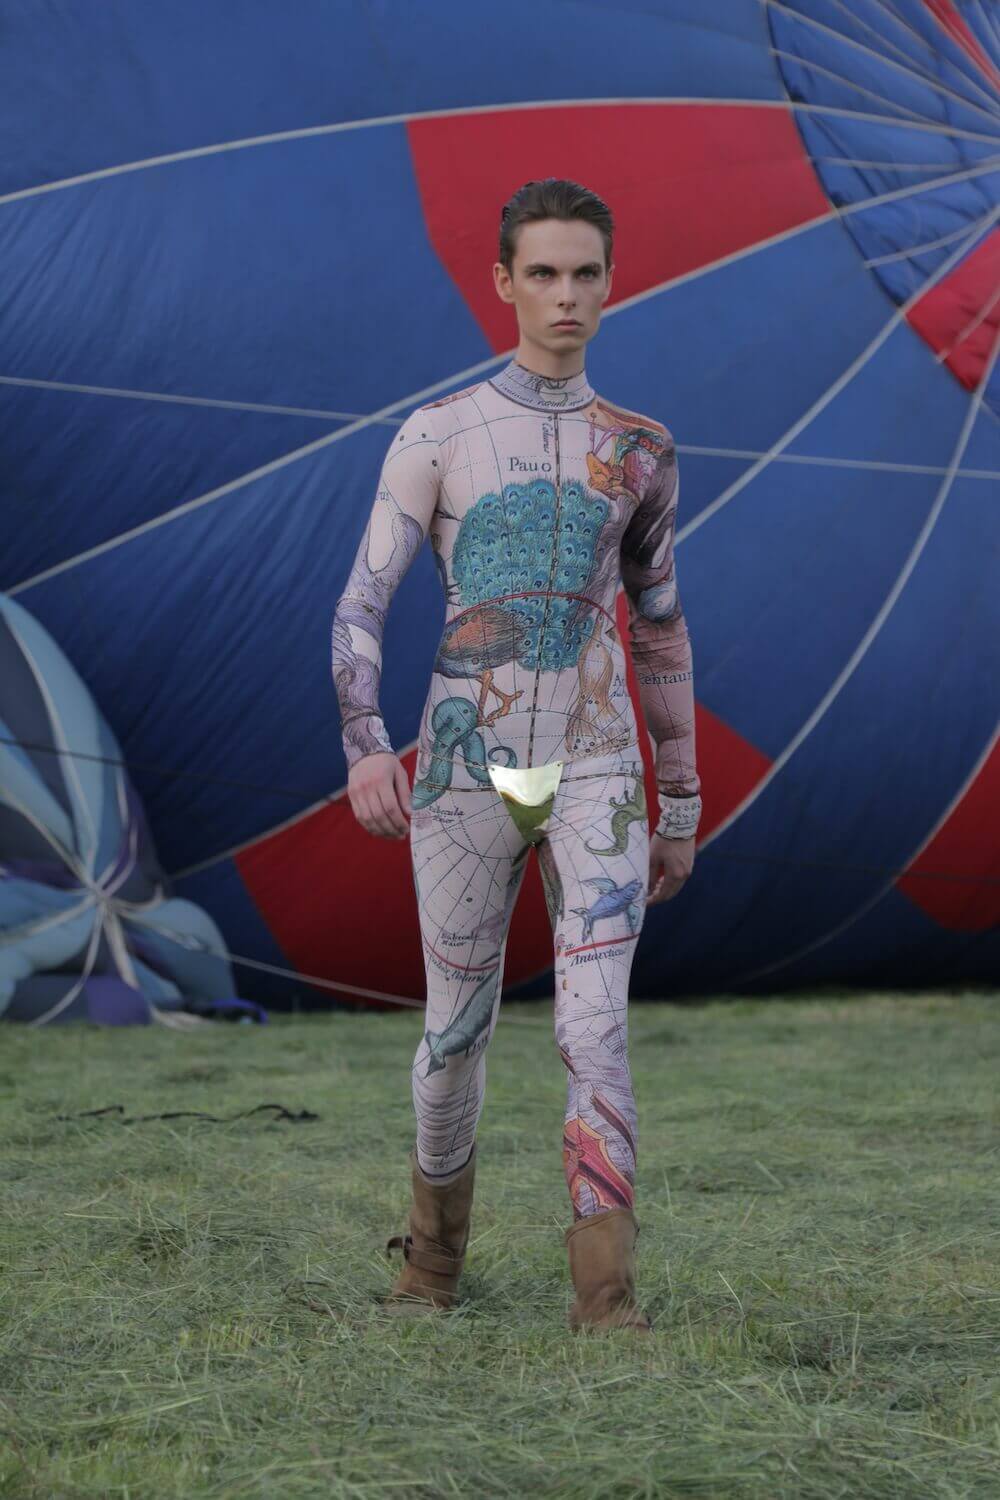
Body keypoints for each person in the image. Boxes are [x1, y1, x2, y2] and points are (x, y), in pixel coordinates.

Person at [331, 178, 701, 1332]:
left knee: (595, 1028)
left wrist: (680, 801)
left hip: (597, 763)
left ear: (611, 282)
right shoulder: (436, 433)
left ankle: (608, 1305)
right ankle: (429, 1270)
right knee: (454, 1033)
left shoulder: (640, 449)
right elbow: (361, 605)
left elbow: (659, 625)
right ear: (503, 282)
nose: (565, 295)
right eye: (542, 273)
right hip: (466, 766)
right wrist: (364, 745)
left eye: (585, 273)